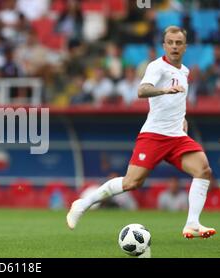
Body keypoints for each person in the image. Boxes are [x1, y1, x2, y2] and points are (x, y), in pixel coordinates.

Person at [67, 26, 216, 239]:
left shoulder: (185, 72)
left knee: (203, 171)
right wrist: (163, 89)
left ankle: (192, 223)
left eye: (178, 43)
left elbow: (177, 99)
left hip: (176, 136)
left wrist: (181, 117)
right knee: (132, 183)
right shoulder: (157, 67)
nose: (174, 46)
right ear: (164, 46)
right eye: (170, 42)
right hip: (154, 135)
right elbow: (141, 90)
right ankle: (84, 203)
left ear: (185, 47)